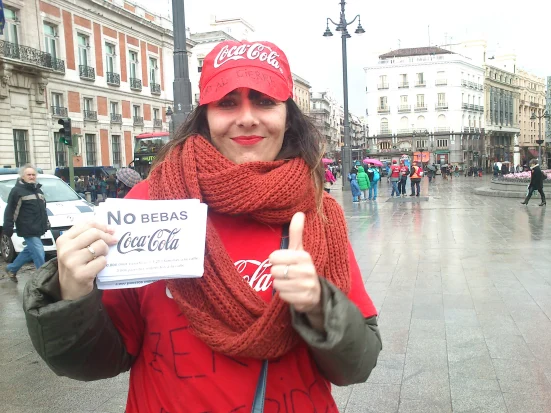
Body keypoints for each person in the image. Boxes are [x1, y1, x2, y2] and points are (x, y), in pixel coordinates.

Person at [22, 40, 381, 413]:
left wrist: (321, 306)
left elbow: (358, 366)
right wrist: (71, 293)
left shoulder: (319, 212)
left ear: (287, 115)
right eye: (227, 102)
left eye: (264, 100)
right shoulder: (149, 203)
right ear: (205, 114)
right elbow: (98, 361)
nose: (246, 117)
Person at [2, 164, 49, 282]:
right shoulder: (17, 191)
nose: (32, 177)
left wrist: (46, 223)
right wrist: (8, 226)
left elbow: (43, 210)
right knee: (38, 251)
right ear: (23, 176)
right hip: (27, 228)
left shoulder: (38, 190)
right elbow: (11, 210)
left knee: (30, 250)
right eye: (29, 174)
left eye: (33, 174)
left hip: (38, 227)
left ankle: (12, 268)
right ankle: (42, 278)